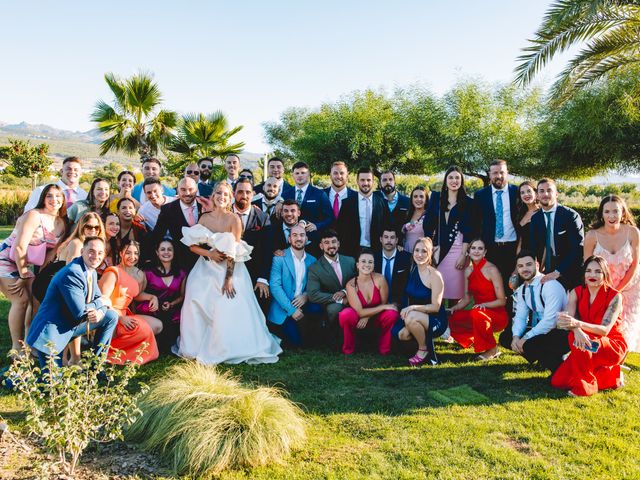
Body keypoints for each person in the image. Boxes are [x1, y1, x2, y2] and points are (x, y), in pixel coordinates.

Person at [177, 181, 282, 364]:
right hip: (206, 266)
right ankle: (196, 345)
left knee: (228, 303)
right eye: (219, 193)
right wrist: (208, 253)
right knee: (194, 296)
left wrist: (228, 278)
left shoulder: (234, 220)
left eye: (225, 194)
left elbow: (234, 251)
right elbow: (192, 246)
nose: (222, 197)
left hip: (230, 268)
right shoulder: (204, 218)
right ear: (213, 195)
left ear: (230, 197)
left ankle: (227, 346)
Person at [26, 237, 118, 366]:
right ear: (82, 251)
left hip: (70, 325)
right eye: (91, 251)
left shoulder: (90, 270)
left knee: (111, 316)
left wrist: (100, 312)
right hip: (51, 332)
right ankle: (9, 378)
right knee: (51, 385)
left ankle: (97, 367)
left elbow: (99, 299)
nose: (96, 256)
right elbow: (80, 312)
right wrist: (102, 302)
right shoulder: (72, 273)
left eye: (100, 253)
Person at [1, 184, 67, 355]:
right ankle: (17, 348)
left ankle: (31, 344)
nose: (54, 200)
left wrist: (38, 275)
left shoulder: (61, 223)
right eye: (49, 196)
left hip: (29, 265)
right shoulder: (34, 215)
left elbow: (51, 252)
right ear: (43, 198)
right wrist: (23, 274)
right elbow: (20, 247)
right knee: (21, 300)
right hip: (8, 259)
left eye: (58, 196)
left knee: (35, 302)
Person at [551, 256, 627, 396]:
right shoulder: (576, 292)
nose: (592, 275)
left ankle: (585, 388)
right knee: (558, 381)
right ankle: (612, 374)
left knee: (580, 343)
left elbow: (604, 330)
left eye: (598, 272)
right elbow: (568, 320)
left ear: (605, 275)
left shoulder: (615, 296)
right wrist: (577, 329)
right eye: (589, 271)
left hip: (610, 343)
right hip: (585, 338)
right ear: (584, 273)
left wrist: (577, 324)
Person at [584, 194, 640, 352]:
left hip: (630, 287)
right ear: (601, 214)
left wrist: (619, 291)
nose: (612, 216)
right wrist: (604, 291)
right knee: (605, 326)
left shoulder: (633, 232)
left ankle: (618, 364)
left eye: (615, 211)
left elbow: (635, 263)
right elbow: (588, 268)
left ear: (623, 212)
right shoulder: (592, 236)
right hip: (603, 288)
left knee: (625, 328)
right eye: (607, 211)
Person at [502, 250, 569, 372]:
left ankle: (559, 364)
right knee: (507, 337)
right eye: (520, 266)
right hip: (542, 329)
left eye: (529, 264)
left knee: (529, 343)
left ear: (537, 265)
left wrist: (526, 338)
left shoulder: (550, 285)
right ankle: (543, 359)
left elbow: (551, 321)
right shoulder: (523, 289)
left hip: (562, 331)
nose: (525, 269)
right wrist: (516, 337)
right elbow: (521, 317)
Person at [99, 241, 161, 365]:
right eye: (128, 253)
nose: (132, 257)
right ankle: (108, 352)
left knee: (157, 325)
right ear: (121, 253)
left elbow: (135, 295)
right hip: (109, 314)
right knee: (143, 330)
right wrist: (120, 318)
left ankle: (124, 351)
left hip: (125, 312)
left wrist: (152, 297)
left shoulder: (139, 274)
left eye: (135, 253)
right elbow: (102, 300)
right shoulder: (113, 272)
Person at [449, 238, 508, 360]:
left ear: (485, 252)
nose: (476, 251)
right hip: (478, 312)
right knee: (452, 317)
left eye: (480, 248)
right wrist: (453, 308)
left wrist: (485, 305)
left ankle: (492, 349)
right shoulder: (468, 271)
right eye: (473, 248)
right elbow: (466, 299)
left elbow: (502, 300)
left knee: (476, 313)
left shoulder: (492, 270)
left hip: (497, 315)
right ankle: (473, 339)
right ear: (469, 251)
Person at [394, 237, 448, 366]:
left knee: (411, 317)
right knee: (402, 335)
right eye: (417, 250)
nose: (419, 254)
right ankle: (422, 339)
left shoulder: (435, 275)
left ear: (430, 253)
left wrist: (412, 308)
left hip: (436, 319)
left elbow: (435, 307)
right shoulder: (412, 270)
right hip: (419, 315)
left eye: (424, 251)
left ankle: (423, 350)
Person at [424, 167, 474, 302]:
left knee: (455, 295)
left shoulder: (468, 203)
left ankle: (453, 322)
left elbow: (469, 231)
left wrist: (464, 255)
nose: (454, 181)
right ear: (445, 180)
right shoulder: (436, 199)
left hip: (458, 252)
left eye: (457, 178)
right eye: (451, 177)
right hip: (438, 251)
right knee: (436, 293)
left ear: (462, 181)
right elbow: (428, 225)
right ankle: (439, 322)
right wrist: (431, 246)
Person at [33, 212, 105, 303]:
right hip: (50, 282)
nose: (93, 230)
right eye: (89, 227)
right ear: (82, 227)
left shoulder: (90, 245)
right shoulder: (77, 244)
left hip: (60, 282)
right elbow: (71, 273)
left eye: (97, 227)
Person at [268, 225, 320, 348]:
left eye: (302, 235)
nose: (298, 238)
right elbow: (275, 287)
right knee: (295, 343)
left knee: (317, 309)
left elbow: (315, 284)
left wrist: (306, 296)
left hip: (303, 304)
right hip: (285, 307)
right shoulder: (279, 258)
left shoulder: (312, 260)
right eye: (295, 235)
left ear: (306, 239)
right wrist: (291, 310)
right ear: (289, 239)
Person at [338, 249, 399, 355]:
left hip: (376, 318)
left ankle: (385, 349)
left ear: (374, 265)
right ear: (357, 265)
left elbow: (383, 303)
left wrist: (368, 316)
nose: (367, 265)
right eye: (363, 261)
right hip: (358, 319)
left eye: (370, 262)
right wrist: (381, 308)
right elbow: (360, 312)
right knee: (345, 314)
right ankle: (348, 349)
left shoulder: (380, 279)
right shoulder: (351, 285)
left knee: (391, 313)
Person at [530, 178, 584, 290]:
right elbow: (534, 247)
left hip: (569, 272)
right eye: (541, 191)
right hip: (544, 272)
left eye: (549, 190)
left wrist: (558, 272)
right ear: (537, 195)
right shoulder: (536, 218)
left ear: (556, 194)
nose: (545, 194)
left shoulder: (571, 216)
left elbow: (578, 249)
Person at [473, 159, 519, 289]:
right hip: (490, 248)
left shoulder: (517, 193)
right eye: (495, 173)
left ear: (507, 173)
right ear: (489, 174)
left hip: (513, 247)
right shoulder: (481, 195)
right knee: (490, 286)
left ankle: (511, 309)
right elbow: (476, 223)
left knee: (512, 285)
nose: (498, 176)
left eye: (502, 172)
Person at [307, 230, 357, 348]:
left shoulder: (350, 261)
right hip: (331, 303)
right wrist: (339, 299)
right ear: (321, 246)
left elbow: (357, 280)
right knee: (334, 309)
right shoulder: (315, 268)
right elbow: (313, 294)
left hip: (354, 297)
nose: (331, 246)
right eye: (326, 242)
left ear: (338, 244)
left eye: (334, 242)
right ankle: (337, 339)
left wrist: (344, 292)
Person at [137, 239, 187, 354]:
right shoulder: (148, 272)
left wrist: (172, 304)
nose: (166, 252)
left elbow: (182, 296)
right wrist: (152, 298)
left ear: (174, 252)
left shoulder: (181, 273)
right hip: (152, 309)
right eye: (162, 249)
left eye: (169, 249)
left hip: (171, 309)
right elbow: (138, 295)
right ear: (157, 252)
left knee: (169, 339)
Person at [233, 178, 272, 308]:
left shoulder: (263, 217)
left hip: (253, 272)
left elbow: (267, 250)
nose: (244, 196)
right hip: (227, 271)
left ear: (253, 194)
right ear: (233, 193)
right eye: (240, 192)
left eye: (248, 192)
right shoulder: (225, 214)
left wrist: (262, 278)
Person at [336, 167, 390, 257]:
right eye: (362, 180)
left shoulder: (382, 202)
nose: (365, 183)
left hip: (376, 250)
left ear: (373, 181)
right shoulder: (347, 203)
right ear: (357, 181)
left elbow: (388, 225)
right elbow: (340, 228)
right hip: (351, 251)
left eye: (368, 180)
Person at [152, 177, 202, 271]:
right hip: (181, 262)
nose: (187, 193)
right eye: (183, 190)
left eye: (191, 189)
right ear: (177, 191)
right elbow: (157, 236)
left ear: (196, 190)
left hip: (205, 260)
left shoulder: (205, 205)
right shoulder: (168, 210)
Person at [283, 161, 333, 238]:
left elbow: (330, 218)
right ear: (292, 175)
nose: (300, 176)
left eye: (303, 173)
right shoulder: (285, 194)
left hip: (312, 239)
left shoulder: (319, 194)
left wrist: (317, 226)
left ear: (308, 174)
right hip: (290, 239)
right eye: (297, 173)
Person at [374, 228, 411, 305]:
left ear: (397, 240)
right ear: (381, 239)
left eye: (392, 237)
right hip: (377, 304)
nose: (389, 241)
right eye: (386, 237)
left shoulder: (406, 258)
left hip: (398, 304)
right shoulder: (373, 258)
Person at [377, 170, 410, 239]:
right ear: (380, 183)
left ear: (395, 182)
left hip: (400, 245)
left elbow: (412, 220)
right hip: (378, 244)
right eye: (384, 180)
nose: (388, 182)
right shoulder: (374, 198)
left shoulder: (407, 201)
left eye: (390, 179)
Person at [515, 180, 540, 254]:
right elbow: (520, 240)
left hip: (537, 256)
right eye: (522, 193)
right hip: (523, 257)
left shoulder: (542, 213)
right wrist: (518, 258)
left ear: (535, 193)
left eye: (529, 191)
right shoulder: (520, 214)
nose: (526, 194)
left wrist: (542, 264)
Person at [402, 186, 428, 253]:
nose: (418, 199)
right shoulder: (407, 214)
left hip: (422, 254)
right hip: (407, 252)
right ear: (412, 199)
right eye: (415, 196)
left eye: (421, 197)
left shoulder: (429, 215)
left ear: (426, 200)